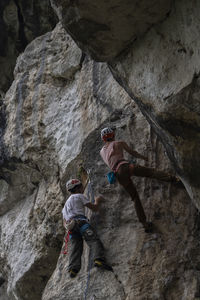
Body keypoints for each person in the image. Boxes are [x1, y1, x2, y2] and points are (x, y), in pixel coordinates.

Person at [100, 127, 180, 233]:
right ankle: (174, 180)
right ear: (113, 135)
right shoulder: (119, 143)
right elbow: (132, 152)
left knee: (135, 198)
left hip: (117, 174)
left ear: (103, 139)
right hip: (124, 166)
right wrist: (143, 158)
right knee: (151, 173)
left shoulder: (102, 152)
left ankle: (145, 224)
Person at [62, 178, 112, 278]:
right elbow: (94, 208)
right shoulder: (79, 196)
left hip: (71, 228)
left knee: (76, 248)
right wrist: (98, 201)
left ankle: (73, 269)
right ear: (78, 188)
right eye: (81, 187)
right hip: (81, 222)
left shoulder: (65, 205)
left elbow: (64, 220)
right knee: (93, 240)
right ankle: (98, 259)